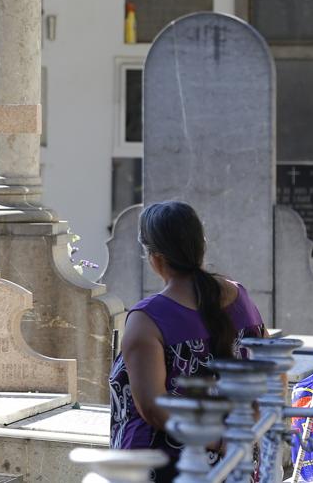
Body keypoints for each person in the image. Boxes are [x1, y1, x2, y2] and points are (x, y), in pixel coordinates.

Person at [109, 201, 267, 482]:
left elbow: (154, 409)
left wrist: (220, 441)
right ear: (200, 247)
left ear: (156, 259)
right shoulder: (241, 298)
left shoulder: (147, 319)